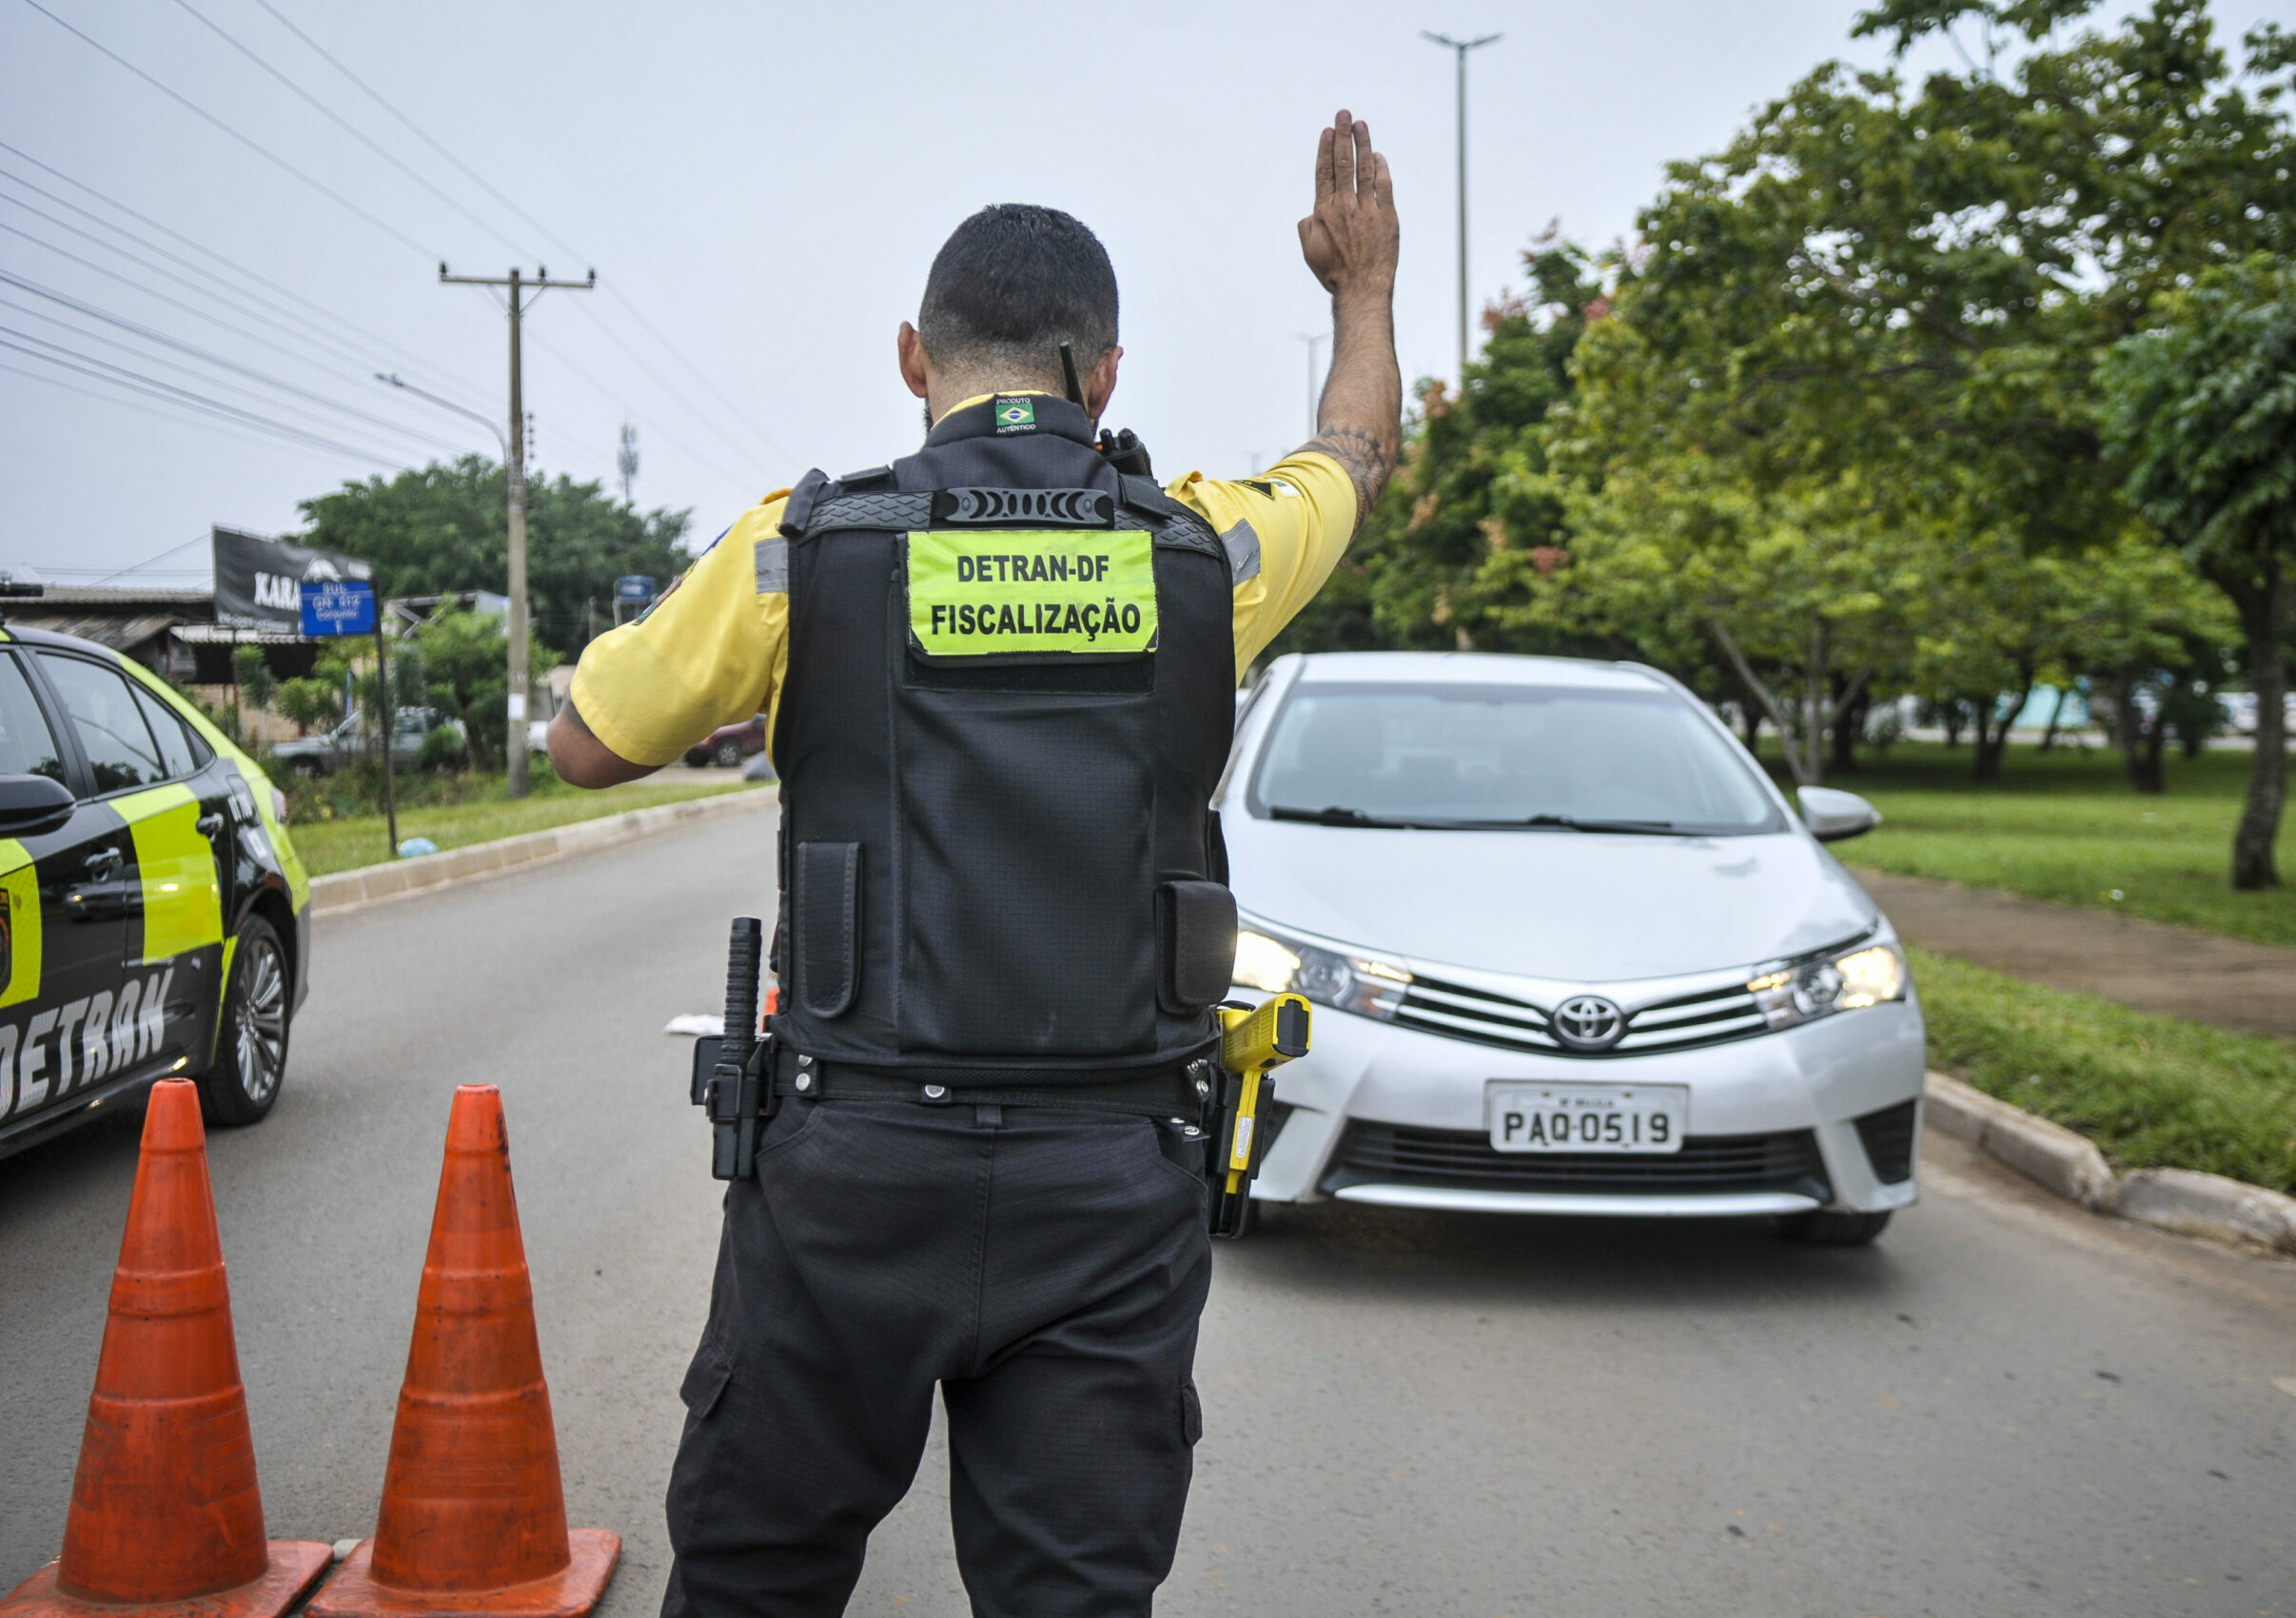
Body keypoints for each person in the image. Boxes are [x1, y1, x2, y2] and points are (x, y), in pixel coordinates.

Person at [550, 109, 1400, 1618]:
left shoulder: (793, 556)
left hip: (849, 1171)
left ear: (910, 356)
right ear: (1108, 373)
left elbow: (585, 744)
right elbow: (1351, 456)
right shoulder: (1210, 554)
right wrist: (1364, 293)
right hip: (1112, 1176)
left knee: (754, 1578)